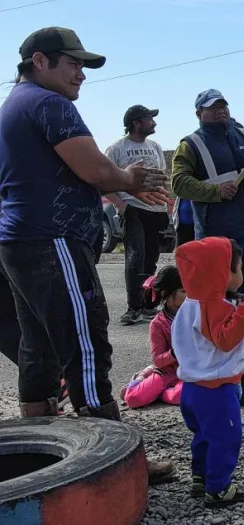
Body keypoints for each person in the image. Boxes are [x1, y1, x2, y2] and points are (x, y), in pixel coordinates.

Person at [0, 26, 175, 482]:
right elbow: (97, 170)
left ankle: (39, 445)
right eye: (73, 63)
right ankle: (112, 459)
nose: (81, 74)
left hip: (22, 240)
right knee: (84, 339)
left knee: (37, 342)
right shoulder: (49, 104)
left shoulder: (15, 105)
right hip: (52, 239)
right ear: (40, 61)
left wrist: (119, 177)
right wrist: (129, 178)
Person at [171, 89, 244, 298]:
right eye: (212, 108)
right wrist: (215, 191)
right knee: (221, 297)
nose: (220, 111)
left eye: (222, 106)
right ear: (199, 113)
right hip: (218, 237)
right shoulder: (190, 145)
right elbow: (178, 183)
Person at [172, 237, 244, 508]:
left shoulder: (188, 305)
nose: (241, 272)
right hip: (215, 388)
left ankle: (200, 477)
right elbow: (225, 339)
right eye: (239, 267)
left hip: (191, 387)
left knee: (204, 436)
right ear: (224, 272)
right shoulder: (215, 306)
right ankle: (218, 488)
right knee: (225, 437)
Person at [105, 105, 171, 325]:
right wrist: (121, 205)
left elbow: (160, 176)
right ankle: (133, 308)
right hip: (133, 209)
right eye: (149, 119)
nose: (154, 123)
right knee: (135, 258)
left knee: (151, 259)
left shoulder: (156, 147)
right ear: (136, 122)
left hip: (156, 210)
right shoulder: (117, 148)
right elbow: (106, 181)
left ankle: (147, 305)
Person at [120, 266, 186, 408]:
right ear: (166, 295)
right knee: (133, 399)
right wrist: (175, 353)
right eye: (183, 291)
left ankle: (161, 394)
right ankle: (143, 376)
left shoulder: (194, 314)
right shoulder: (158, 324)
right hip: (167, 371)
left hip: (189, 371)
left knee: (184, 396)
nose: (189, 295)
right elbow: (158, 360)